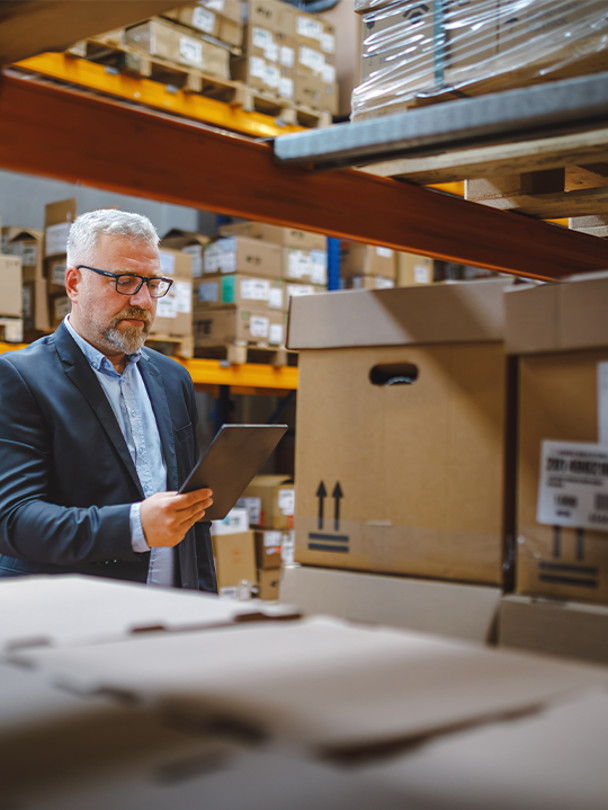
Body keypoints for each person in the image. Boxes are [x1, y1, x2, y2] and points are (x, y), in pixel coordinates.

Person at [0, 209, 216, 591]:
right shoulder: (20, 378)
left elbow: (191, 515)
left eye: (152, 284)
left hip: (171, 610)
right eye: (125, 281)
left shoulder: (172, 378)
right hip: (75, 612)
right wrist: (134, 526)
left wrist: (204, 603)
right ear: (74, 284)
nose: (143, 300)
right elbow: (14, 520)